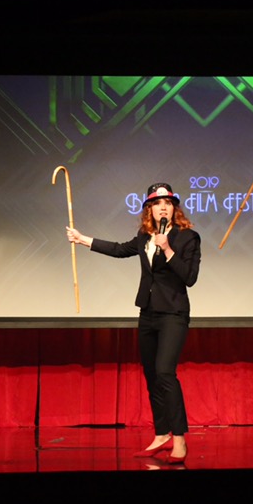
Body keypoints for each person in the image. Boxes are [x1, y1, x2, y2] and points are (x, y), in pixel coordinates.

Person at [66, 182, 201, 464]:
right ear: (149, 210)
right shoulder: (143, 237)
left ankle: (179, 438)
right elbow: (119, 249)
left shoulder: (188, 238)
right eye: (157, 203)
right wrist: (83, 239)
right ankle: (161, 432)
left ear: (174, 208)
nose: (163, 206)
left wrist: (167, 250)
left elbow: (189, 277)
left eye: (168, 202)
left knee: (165, 373)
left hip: (174, 314)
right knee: (152, 376)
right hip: (148, 313)